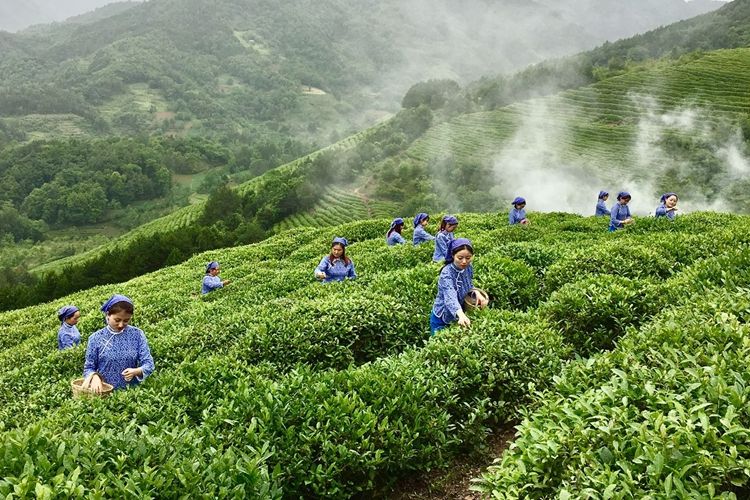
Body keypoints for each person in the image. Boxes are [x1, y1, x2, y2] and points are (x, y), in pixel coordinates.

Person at [83, 294, 154, 392]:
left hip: (131, 393)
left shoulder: (137, 334)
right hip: (104, 392)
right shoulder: (95, 338)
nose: (121, 325)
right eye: (117, 320)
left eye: (126, 320)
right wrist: (94, 377)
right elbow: (89, 368)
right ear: (108, 315)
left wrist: (136, 371)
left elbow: (149, 364)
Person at [430, 238, 488, 335]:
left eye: (468, 258)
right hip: (442, 316)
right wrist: (461, 314)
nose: (464, 261)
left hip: (458, 314)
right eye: (460, 258)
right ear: (453, 255)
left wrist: (476, 292)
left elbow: (468, 284)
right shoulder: (446, 273)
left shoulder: (468, 267)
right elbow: (450, 296)